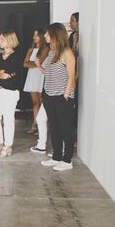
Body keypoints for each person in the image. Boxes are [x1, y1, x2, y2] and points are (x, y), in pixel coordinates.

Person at [40, 23, 77, 171]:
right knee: (54, 128)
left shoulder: (67, 52)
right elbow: (49, 73)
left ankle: (67, 160)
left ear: (55, 35)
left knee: (65, 128)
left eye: (47, 33)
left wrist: (66, 94)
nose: (45, 36)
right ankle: (56, 157)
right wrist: (39, 66)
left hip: (62, 96)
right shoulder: (51, 52)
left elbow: (71, 76)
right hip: (49, 95)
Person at [0, 30, 20, 158]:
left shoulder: (16, 56)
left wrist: (0, 74)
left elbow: (8, 75)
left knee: (8, 119)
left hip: (10, 92)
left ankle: (8, 146)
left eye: (2, 39)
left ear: (9, 40)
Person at [23, 29, 48, 135]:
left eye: (36, 35)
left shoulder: (46, 49)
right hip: (32, 76)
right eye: (34, 35)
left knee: (42, 101)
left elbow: (40, 62)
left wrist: (32, 63)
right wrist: (34, 64)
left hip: (41, 75)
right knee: (35, 102)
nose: (34, 37)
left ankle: (43, 126)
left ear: (41, 36)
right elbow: (24, 64)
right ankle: (34, 125)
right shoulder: (30, 49)